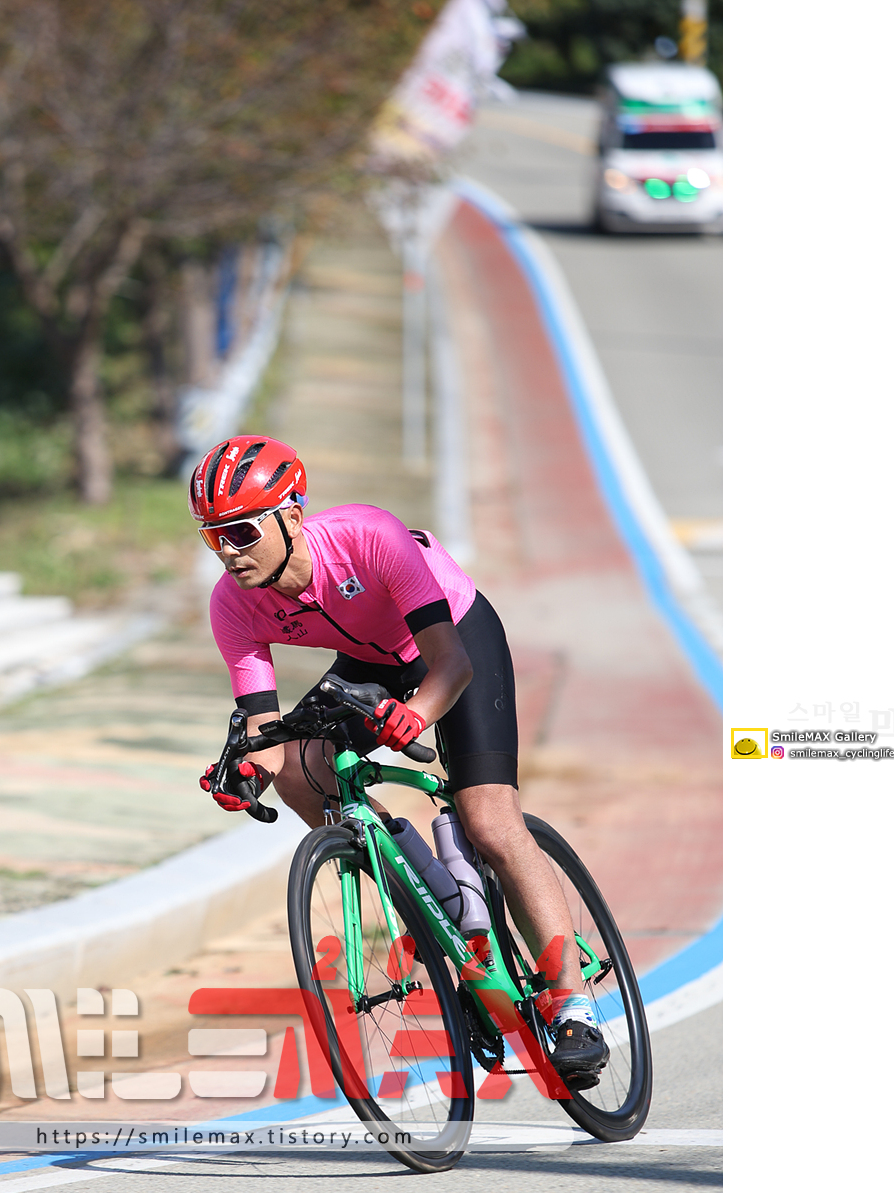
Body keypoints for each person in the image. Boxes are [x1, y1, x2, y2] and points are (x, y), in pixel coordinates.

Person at [192, 433, 608, 1089]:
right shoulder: (231, 603)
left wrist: (415, 715)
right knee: (299, 769)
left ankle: (573, 1004)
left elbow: (451, 664)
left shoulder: (369, 536)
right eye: (213, 537)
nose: (228, 553)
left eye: (241, 533)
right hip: (371, 663)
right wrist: (250, 771)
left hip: (454, 641)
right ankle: (426, 897)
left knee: (489, 821)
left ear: (291, 516)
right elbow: (263, 727)